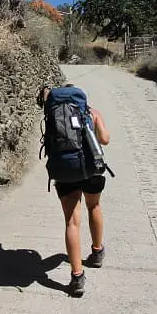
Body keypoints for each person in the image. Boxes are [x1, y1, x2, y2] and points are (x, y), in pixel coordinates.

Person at [41, 86, 111, 297]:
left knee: (72, 221)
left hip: (65, 170)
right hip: (91, 168)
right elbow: (106, 139)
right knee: (94, 205)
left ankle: (77, 276)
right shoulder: (92, 112)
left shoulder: (53, 114)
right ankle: (97, 253)